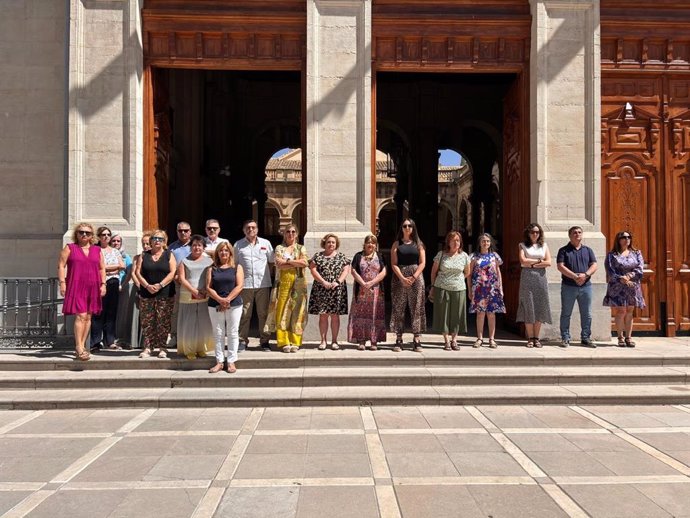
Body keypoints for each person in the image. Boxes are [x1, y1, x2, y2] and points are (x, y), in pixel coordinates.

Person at [57, 222, 106, 361]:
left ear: (92, 236)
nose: (84, 234)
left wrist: (103, 284)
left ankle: (82, 345)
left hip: (93, 286)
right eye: (81, 232)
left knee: (88, 317)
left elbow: (102, 268)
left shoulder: (97, 250)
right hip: (76, 285)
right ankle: (79, 347)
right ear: (76, 234)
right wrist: (62, 283)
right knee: (81, 316)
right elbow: (61, 265)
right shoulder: (70, 248)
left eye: (88, 233)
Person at [266, 223, 309, 352]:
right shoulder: (279, 248)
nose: (290, 234)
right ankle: (284, 341)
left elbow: (305, 262)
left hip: (299, 284)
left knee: (297, 312)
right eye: (288, 232)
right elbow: (279, 264)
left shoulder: (301, 248)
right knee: (281, 311)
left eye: (293, 232)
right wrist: (295, 263)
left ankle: (295, 341)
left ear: (296, 234)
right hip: (283, 284)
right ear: (284, 234)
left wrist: (288, 262)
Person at [234, 219, 275, 352]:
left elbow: (272, 261)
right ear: (244, 230)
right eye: (248, 228)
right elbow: (234, 264)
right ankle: (242, 340)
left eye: (253, 227)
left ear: (257, 229)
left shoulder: (265, 243)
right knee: (245, 314)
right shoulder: (238, 245)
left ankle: (264, 341)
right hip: (245, 285)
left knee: (263, 314)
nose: (251, 230)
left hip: (263, 284)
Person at [135, 229, 176, 358]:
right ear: (151, 241)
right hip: (146, 292)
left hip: (165, 293)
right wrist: (146, 285)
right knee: (147, 321)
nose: (157, 241)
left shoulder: (169, 254)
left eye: (160, 239)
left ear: (164, 242)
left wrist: (160, 285)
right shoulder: (144, 255)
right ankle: (148, 347)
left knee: (163, 321)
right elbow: (137, 272)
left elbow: (172, 272)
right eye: (155, 238)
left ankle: (162, 347)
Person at [557, 226, 598, 348]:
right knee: (566, 313)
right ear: (570, 235)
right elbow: (560, 266)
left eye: (579, 232)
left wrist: (585, 275)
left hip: (586, 287)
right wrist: (575, 277)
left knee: (587, 314)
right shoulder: (563, 250)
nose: (577, 234)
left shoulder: (588, 250)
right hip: (568, 286)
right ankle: (565, 337)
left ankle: (585, 338)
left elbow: (594, 265)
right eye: (574, 233)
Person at [206, 242, 244, 373]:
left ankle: (231, 361)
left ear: (230, 253)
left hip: (234, 304)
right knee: (218, 333)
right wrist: (220, 300)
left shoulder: (237, 268)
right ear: (217, 253)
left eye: (226, 251)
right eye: (221, 251)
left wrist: (227, 300)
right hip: (215, 304)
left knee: (233, 332)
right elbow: (208, 287)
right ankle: (219, 361)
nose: (224, 253)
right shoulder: (212, 268)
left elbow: (239, 286)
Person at [308, 233, 350, 350]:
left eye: (333, 242)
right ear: (324, 243)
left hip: (337, 290)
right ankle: (323, 341)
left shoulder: (341, 256)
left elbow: (346, 270)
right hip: (322, 289)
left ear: (336, 244)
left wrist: (338, 282)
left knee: (335, 316)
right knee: (323, 316)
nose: (331, 244)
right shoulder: (318, 256)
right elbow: (313, 270)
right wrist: (323, 282)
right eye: (328, 242)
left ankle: (335, 341)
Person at [603, 231, 645, 348]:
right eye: (623, 237)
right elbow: (610, 270)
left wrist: (629, 276)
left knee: (630, 311)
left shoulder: (636, 253)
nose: (626, 239)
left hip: (632, 285)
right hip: (617, 286)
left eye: (628, 237)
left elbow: (640, 268)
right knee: (621, 311)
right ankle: (620, 337)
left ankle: (629, 337)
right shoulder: (612, 255)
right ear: (618, 240)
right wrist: (621, 278)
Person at [390, 219, 426, 352]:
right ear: (402, 228)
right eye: (404, 225)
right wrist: (402, 278)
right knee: (399, 307)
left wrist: (414, 276)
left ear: (413, 228)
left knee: (416, 306)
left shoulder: (419, 244)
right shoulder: (396, 244)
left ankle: (417, 338)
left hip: (416, 276)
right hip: (399, 276)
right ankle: (399, 339)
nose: (407, 228)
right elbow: (394, 263)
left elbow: (422, 262)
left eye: (410, 226)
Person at [176, 234, 215, 360]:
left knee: (202, 323)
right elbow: (181, 278)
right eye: (194, 245)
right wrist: (193, 291)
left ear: (203, 247)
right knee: (189, 323)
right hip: (188, 295)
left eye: (199, 245)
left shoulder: (209, 261)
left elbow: (211, 277)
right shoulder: (184, 261)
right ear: (190, 247)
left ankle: (200, 348)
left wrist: (205, 290)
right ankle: (189, 350)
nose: (196, 248)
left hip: (204, 295)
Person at [430, 231, 470, 350]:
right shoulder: (441, 254)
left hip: (459, 289)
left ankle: (454, 340)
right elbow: (433, 272)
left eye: (457, 240)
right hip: (442, 288)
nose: (455, 242)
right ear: (448, 242)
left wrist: (458, 280)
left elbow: (467, 272)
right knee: (444, 315)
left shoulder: (464, 256)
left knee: (456, 315)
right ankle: (446, 340)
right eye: (453, 240)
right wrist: (432, 286)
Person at [348, 234, 387, 350]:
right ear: (364, 244)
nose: (370, 244)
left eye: (373, 243)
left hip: (376, 290)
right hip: (361, 290)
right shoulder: (358, 256)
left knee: (375, 315)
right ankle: (361, 340)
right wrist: (363, 284)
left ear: (375, 245)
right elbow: (353, 271)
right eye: (368, 242)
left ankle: (374, 340)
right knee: (360, 315)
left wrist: (371, 283)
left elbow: (384, 271)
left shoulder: (380, 256)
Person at [516, 223, 553, 348]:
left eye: (537, 232)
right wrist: (538, 262)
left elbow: (549, 262)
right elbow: (523, 261)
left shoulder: (544, 245)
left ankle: (536, 337)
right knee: (528, 307)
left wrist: (531, 263)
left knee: (539, 307)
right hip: (527, 278)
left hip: (541, 279)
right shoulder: (522, 245)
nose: (535, 234)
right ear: (528, 233)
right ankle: (530, 338)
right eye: (532, 232)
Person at [90, 226, 125, 352]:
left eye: (108, 234)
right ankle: (95, 342)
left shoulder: (115, 251)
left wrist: (105, 268)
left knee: (111, 312)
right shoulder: (95, 250)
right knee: (98, 313)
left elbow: (122, 265)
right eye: (103, 234)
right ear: (98, 236)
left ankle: (110, 341)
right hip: (98, 283)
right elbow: (97, 268)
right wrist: (109, 268)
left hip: (113, 282)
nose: (106, 237)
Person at [469, 233, 505, 349]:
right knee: (480, 314)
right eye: (483, 241)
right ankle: (479, 338)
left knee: (491, 314)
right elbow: (469, 275)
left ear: (490, 243)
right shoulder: (474, 257)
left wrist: (501, 288)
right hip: (478, 288)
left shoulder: (494, 256)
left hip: (492, 288)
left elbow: (498, 272)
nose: (486, 243)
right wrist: (470, 290)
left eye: (488, 241)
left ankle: (491, 339)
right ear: (479, 243)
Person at [168, 221, 193, 349]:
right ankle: (175, 336)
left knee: (193, 310)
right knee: (176, 310)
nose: (183, 233)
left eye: (185, 230)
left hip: (194, 283)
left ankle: (190, 336)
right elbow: (168, 267)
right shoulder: (171, 248)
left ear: (190, 232)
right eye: (180, 231)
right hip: (177, 283)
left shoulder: (196, 245)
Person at [111, 232, 134, 348]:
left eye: (118, 241)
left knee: (121, 314)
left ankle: (119, 338)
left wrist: (123, 285)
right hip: (109, 287)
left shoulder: (126, 257)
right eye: (114, 241)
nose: (116, 243)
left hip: (122, 288)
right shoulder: (106, 254)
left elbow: (129, 272)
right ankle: (108, 338)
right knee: (110, 313)